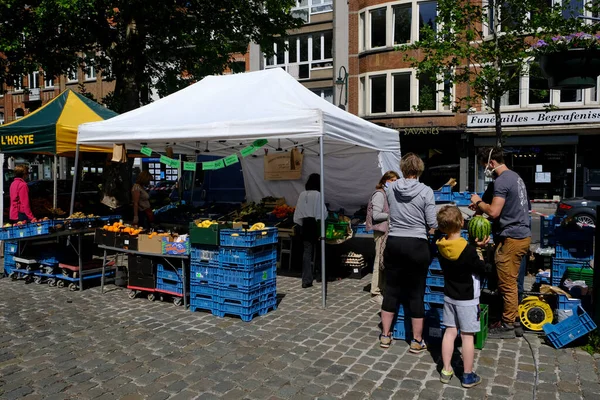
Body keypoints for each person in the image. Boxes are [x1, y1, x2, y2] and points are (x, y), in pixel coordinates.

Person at [470, 147, 531, 339]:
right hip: (521, 235)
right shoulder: (515, 177)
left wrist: (478, 202)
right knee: (511, 281)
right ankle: (514, 320)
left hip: (512, 237)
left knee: (507, 284)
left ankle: (507, 326)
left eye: (483, 167)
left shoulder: (502, 180)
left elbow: (494, 212)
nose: (484, 171)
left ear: (491, 163)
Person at [379, 153, 437, 353]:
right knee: (416, 293)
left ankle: (385, 335)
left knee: (391, 290)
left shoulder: (391, 188)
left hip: (395, 241)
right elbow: (432, 222)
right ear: (419, 169)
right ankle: (416, 339)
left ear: (403, 169)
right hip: (417, 244)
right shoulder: (426, 191)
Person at [436, 205, 489, 388]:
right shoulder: (468, 250)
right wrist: (481, 250)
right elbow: (482, 269)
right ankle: (467, 375)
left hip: (449, 296)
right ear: (462, 222)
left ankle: (446, 369)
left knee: (450, 332)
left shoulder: (441, 245)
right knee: (467, 336)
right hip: (468, 298)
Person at [366, 170, 400, 304]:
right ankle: (375, 291)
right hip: (381, 232)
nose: (394, 183)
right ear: (385, 181)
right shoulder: (379, 194)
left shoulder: (388, 194)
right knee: (378, 260)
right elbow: (376, 215)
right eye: (392, 180)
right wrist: (392, 214)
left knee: (384, 261)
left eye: (396, 180)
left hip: (387, 231)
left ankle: (383, 288)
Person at [293, 173, 326, 289]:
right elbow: (322, 212)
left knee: (307, 252)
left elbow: (298, 211)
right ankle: (320, 275)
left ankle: (306, 279)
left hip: (304, 224)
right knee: (320, 249)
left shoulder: (302, 194)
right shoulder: (318, 194)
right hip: (315, 224)